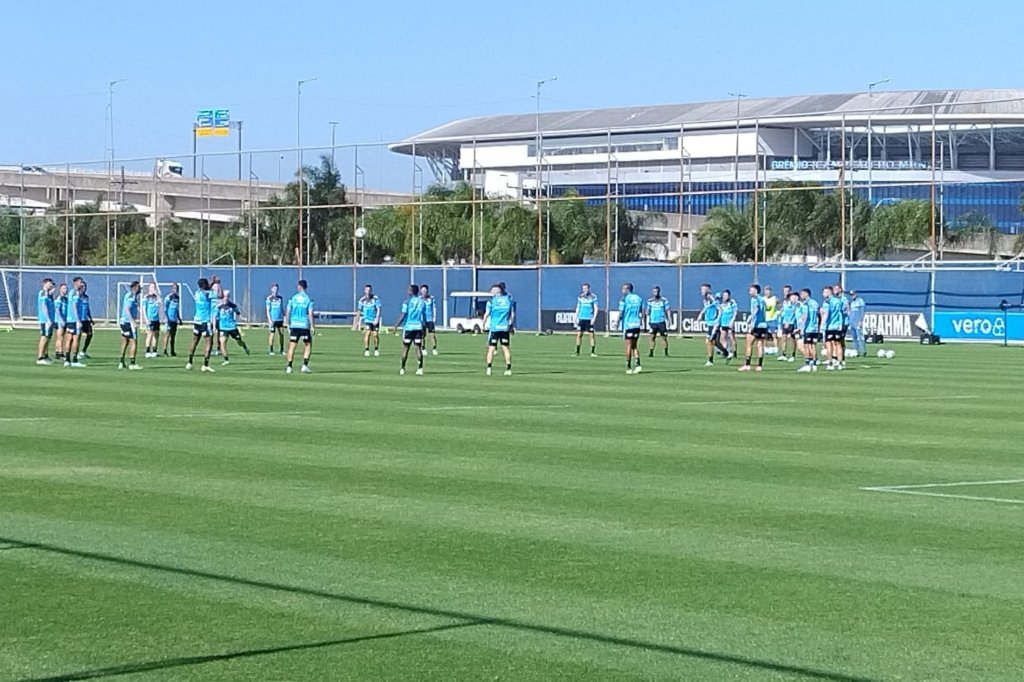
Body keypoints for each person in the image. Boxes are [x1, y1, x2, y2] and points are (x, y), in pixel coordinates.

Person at [484, 282, 515, 376]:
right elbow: (512, 314)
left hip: (494, 328)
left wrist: (483, 324)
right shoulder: (508, 300)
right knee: (506, 348)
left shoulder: (491, 301)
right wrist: (511, 326)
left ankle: (489, 368)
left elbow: (487, 314)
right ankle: (508, 368)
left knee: (491, 349)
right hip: (504, 327)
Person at [284, 279, 315, 374]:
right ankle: (304, 366)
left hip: (294, 324)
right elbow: (310, 314)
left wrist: (287, 323)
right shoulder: (308, 299)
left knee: (292, 346)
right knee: (308, 345)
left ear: (300, 287)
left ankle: (289, 367)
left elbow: (288, 311)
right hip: (304, 325)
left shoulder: (293, 298)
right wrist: (312, 326)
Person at [396, 283, 427, 376]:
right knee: (418, 348)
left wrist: (396, 325)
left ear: (411, 292)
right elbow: (423, 316)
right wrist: (424, 328)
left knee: (406, 348)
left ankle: (402, 368)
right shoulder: (422, 302)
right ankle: (420, 368)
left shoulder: (407, 302)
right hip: (418, 327)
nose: (407, 291)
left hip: (409, 327)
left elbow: (403, 314)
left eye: (409, 290)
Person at [186, 277, 216, 372]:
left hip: (196, 320)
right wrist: (216, 284)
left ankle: (189, 362)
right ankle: (205, 364)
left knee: (194, 341)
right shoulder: (207, 294)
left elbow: (206, 288)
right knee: (209, 342)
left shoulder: (197, 293)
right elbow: (218, 294)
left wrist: (212, 283)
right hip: (205, 321)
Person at [739, 284, 769, 372]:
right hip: (763, 325)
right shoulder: (762, 299)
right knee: (760, 345)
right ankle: (759, 366)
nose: (749, 292)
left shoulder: (755, 300)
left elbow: (755, 312)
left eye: (751, 290)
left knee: (749, 344)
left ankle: (747, 365)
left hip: (756, 325)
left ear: (756, 291)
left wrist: (751, 324)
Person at [217, 290, 250, 365]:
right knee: (222, 343)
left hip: (232, 327)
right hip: (223, 327)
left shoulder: (233, 306)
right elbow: (214, 315)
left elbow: (238, 313)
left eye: (227, 296)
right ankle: (226, 360)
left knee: (239, 342)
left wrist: (243, 318)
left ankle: (244, 347)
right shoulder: (219, 306)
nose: (226, 298)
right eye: (224, 296)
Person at [618, 282, 645, 374]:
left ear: (627, 289)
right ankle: (638, 365)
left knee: (628, 346)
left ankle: (628, 367)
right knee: (635, 345)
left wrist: (617, 321)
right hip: (637, 325)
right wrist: (643, 323)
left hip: (628, 325)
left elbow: (621, 312)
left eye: (623, 289)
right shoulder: (639, 298)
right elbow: (643, 312)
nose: (622, 291)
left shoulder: (624, 299)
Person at [117, 280, 143, 370]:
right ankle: (132, 363)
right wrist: (133, 322)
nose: (140, 289)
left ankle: (121, 362)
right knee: (134, 341)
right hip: (128, 322)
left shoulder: (132, 296)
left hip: (123, 322)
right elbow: (127, 309)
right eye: (139, 287)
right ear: (135, 287)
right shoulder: (131, 296)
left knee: (125, 341)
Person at [797, 288, 821, 373]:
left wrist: (800, 327)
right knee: (813, 346)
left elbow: (805, 316)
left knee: (807, 346)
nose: (801, 296)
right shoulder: (815, 303)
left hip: (808, 327)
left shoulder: (806, 304)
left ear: (806, 294)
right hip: (815, 328)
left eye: (802, 294)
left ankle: (807, 364)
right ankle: (814, 364)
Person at [64, 277, 86, 368]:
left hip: (70, 320)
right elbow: (74, 306)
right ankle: (74, 359)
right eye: (80, 282)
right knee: (76, 339)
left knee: (69, 339)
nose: (82, 284)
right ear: (76, 283)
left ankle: (67, 360)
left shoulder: (72, 293)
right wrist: (78, 320)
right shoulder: (75, 293)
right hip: (74, 320)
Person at [822, 285, 845, 371]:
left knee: (829, 345)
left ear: (829, 292)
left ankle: (830, 362)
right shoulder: (838, 301)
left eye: (824, 292)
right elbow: (843, 311)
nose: (823, 294)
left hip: (829, 326)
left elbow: (826, 314)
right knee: (838, 344)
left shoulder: (827, 302)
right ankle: (840, 363)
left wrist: (822, 325)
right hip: (838, 325)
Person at [573, 282, 599, 357]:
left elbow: (596, 308)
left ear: (589, 289)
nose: (585, 290)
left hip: (589, 318)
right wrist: (576, 317)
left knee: (591, 335)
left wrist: (594, 318)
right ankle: (577, 352)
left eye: (586, 288)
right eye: (584, 288)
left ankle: (593, 352)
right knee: (579, 335)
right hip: (581, 318)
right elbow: (578, 307)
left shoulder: (593, 297)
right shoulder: (580, 297)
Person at [702, 289, 724, 366]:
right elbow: (706, 309)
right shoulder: (707, 302)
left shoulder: (715, 303)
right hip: (710, 324)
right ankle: (726, 353)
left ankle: (710, 360)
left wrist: (716, 322)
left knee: (709, 341)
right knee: (713, 342)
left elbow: (719, 310)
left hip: (713, 324)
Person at [358, 284, 382, 357]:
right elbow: (359, 310)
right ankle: (367, 350)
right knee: (367, 333)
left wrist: (377, 318)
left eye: (369, 290)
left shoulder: (375, 299)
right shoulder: (362, 300)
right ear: (364, 290)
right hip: (367, 320)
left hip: (374, 319)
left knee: (375, 335)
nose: (368, 291)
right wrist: (357, 321)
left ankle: (376, 349)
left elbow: (378, 309)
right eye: (366, 290)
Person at [36, 278, 56, 365]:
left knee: (48, 337)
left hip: (50, 320)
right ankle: (40, 357)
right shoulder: (43, 293)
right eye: (49, 284)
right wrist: (48, 319)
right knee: (44, 337)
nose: (51, 286)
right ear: (45, 284)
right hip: (45, 320)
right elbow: (44, 307)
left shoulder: (49, 295)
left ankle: (45, 355)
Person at [647, 286, 670, 358]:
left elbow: (667, 310)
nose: (655, 293)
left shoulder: (664, 300)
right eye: (654, 292)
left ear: (659, 292)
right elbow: (648, 311)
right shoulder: (650, 301)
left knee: (664, 337)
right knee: (652, 337)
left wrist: (669, 320)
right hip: (653, 322)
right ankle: (651, 352)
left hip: (661, 321)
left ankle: (666, 353)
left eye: (656, 292)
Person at [142, 283, 163, 358]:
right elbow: (144, 309)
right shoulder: (146, 297)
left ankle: (154, 350)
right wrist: (146, 319)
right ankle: (147, 351)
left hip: (156, 319)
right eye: (151, 287)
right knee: (149, 334)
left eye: (154, 287)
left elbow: (161, 303)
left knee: (156, 335)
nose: (153, 288)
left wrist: (157, 294)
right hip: (150, 318)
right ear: (149, 288)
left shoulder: (157, 297)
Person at [778, 291, 800, 362]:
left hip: (793, 324)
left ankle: (793, 355)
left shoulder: (798, 305)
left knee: (793, 340)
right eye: (792, 297)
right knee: (783, 338)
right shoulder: (786, 304)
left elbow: (796, 315)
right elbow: (783, 313)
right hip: (785, 323)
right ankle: (783, 354)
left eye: (794, 297)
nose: (793, 298)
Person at [717, 289, 738, 362]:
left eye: (726, 295)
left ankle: (734, 351)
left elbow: (735, 312)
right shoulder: (721, 304)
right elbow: (720, 313)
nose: (725, 297)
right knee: (722, 338)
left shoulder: (732, 303)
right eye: (724, 295)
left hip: (729, 323)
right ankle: (725, 351)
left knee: (731, 337)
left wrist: (732, 321)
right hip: (723, 323)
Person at [162, 283, 182, 357]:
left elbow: (176, 309)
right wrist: (166, 318)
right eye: (174, 288)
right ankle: (164, 350)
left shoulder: (177, 298)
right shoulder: (168, 297)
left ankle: (172, 351)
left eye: (176, 288)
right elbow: (165, 308)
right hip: (169, 319)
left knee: (173, 336)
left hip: (174, 319)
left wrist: (179, 318)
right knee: (167, 334)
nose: (175, 290)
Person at [76, 279, 95, 359]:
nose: (84, 288)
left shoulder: (86, 297)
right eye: (83, 287)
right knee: (77, 336)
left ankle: (83, 351)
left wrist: (90, 318)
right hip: (79, 319)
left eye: (85, 287)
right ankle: (75, 353)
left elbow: (87, 308)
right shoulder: (77, 297)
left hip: (86, 319)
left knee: (90, 334)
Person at [265, 283, 286, 355]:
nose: (275, 291)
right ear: (271, 289)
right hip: (273, 319)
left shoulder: (280, 298)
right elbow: (268, 310)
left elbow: (282, 308)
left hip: (280, 319)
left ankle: (282, 349)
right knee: (272, 334)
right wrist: (270, 320)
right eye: (274, 289)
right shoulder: (269, 299)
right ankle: (271, 350)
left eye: (276, 289)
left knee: (281, 334)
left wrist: (284, 316)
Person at [834, 283, 851, 367]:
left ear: (840, 290)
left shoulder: (844, 299)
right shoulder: (834, 299)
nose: (835, 291)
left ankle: (841, 358)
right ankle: (836, 357)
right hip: (836, 323)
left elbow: (847, 310)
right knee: (835, 340)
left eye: (836, 289)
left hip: (843, 323)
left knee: (840, 340)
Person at [421, 284, 439, 355]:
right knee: (422, 335)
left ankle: (434, 348)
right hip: (422, 319)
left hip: (430, 319)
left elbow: (434, 308)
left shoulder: (431, 298)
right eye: (423, 290)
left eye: (425, 290)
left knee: (432, 334)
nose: (424, 292)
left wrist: (434, 317)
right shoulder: (419, 299)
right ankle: (423, 348)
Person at [53, 282, 69, 362]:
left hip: (65, 320)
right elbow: (57, 311)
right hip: (59, 320)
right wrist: (61, 320)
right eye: (64, 288)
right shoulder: (58, 299)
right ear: (60, 290)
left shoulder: (66, 299)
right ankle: (60, 352)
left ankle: (58, 352)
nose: (65, 290)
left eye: (66, 289)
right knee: (60, 337)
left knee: (62, 336)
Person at [849, 289, 866, 356]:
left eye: (853, 294)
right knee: (854, 337)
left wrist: (861, 320)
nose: (852, 296)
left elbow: (862, 311)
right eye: (851, 295)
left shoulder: (860, 301)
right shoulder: (852, 302)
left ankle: (863, 351)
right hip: (852, 321)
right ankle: (856, 351)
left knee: (859, 336)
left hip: (857, 321)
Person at [763, 285, 779, 356]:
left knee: (774, 335)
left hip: (773, 319)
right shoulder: (762, 299)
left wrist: (778, 312)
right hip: (765, 320)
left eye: (768, 291)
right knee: (765, 335)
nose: (767, 292)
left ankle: (776, 349)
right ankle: (765, 349)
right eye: (766, 291)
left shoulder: (774, 298)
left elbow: (780, 305)